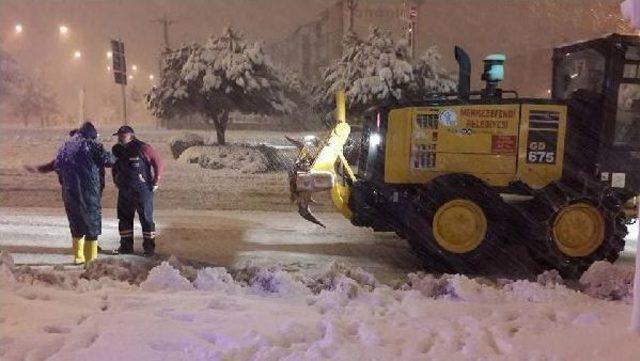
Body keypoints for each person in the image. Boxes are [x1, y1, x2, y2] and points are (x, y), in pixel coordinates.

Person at [28, 122, 114, 265]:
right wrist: (116, 156)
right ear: (92, 135)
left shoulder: (65, 148)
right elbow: (108, 160)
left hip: (69, 193)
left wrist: (38, 169)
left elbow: (54, 165)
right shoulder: (92, 145)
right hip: (89, 193)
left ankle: (78, 257)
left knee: (76, 224)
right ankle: (91, 261)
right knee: (91, 226)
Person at [111, 126, 164, 256]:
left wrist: (156, 181)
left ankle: (149, 249)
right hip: (125, 190)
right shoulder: (117, 150)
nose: (120, 138)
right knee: (124, 219)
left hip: (143, 190)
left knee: (146, 219)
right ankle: (126, 247)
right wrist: (116, 180)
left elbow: (158, 163)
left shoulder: (144, 148)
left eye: (123, 135)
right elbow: (114, 166)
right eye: (119, 136)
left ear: (131, 135)